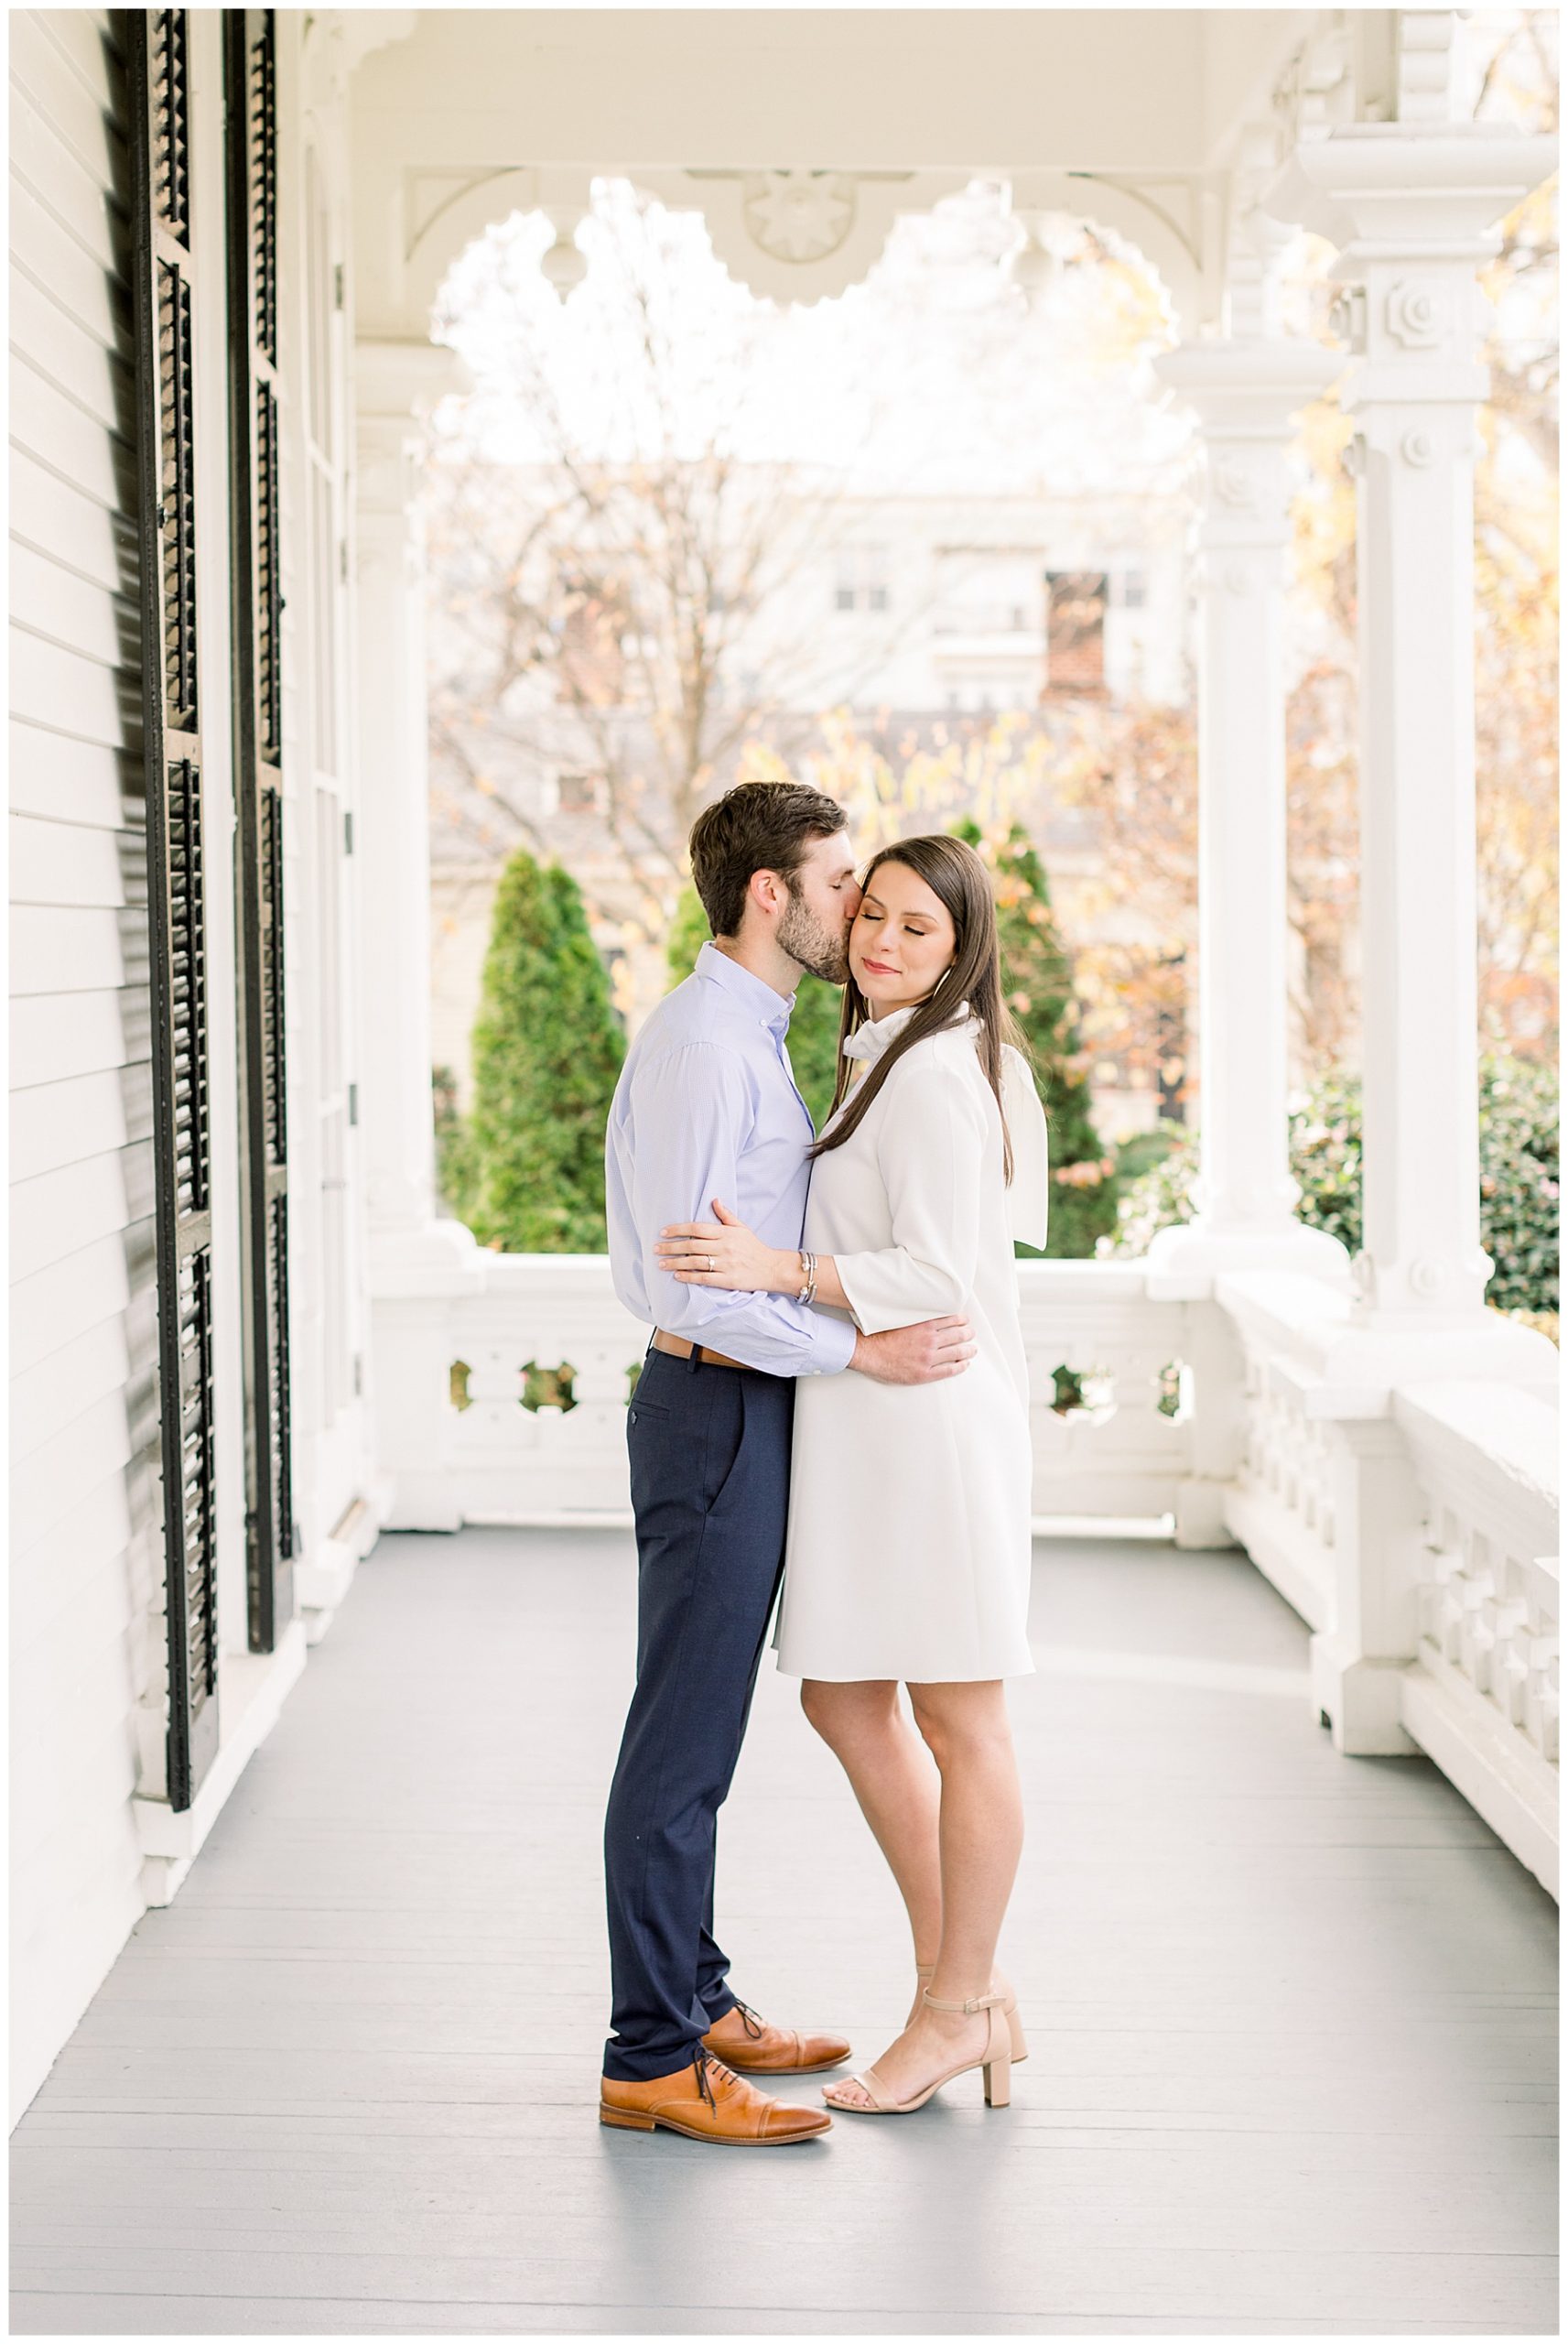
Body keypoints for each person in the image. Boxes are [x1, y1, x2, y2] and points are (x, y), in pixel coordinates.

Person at [599, 785, 978, 2148]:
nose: (852, 914)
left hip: (747, 1407)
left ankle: (692, 1997)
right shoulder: (709, 1047)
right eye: (834, 886)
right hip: (712, 1406)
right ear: (769, 893)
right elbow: (682, 1286)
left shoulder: (757, 1035)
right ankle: (648, 2054)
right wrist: (856, 1351)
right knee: (680, 1748)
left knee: (705, 1738)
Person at [655, 832, 1048, 2117]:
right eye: (869, 914)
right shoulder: (876, 1057)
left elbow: (939, 1271)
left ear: (960, 952)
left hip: (925, 1421)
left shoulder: (933, 1074)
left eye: (915, 930)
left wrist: (783, 1272)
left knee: (960, 1718)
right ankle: (969, 1988)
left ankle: (951, 2009)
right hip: (870, 1423)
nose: (878, 942)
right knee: (842, 1699)